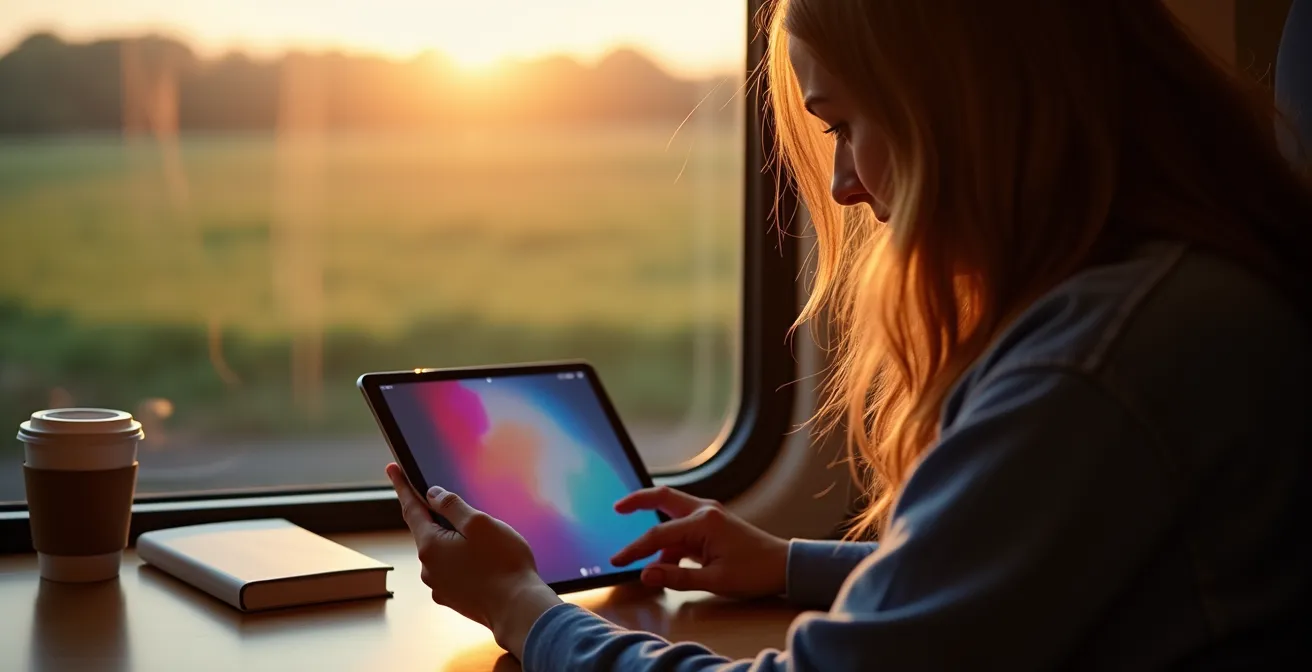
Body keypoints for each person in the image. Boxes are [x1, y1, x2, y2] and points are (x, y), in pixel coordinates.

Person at [386, 0, 1312, 668]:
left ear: (963, 112)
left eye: (845, 124)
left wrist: (522, 608)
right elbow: (1015, 578)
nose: (842, 187)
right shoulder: (1182, 300)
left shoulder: (1100, 362)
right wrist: (787, 563)